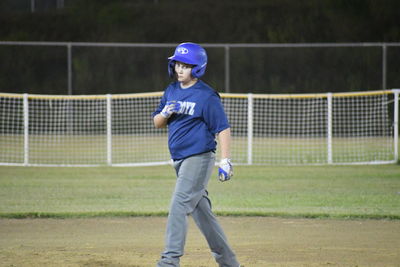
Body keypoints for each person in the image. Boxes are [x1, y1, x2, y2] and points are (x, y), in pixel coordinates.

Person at [152, 42, 240, 267]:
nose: (180, 69)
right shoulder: (171, 90)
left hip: (199, 158)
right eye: (177, 64)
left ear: (198, 68)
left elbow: (222, 127)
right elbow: (157, 123)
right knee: (203, 215)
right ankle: (229, 263)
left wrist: (225, 160)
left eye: (186, 65)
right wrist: (164, 112)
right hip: (179, 160)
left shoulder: (206, 95)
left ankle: (169, 262)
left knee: (179, 204)